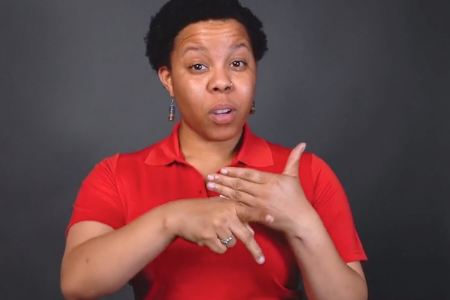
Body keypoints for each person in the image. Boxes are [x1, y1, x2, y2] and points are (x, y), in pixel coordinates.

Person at [60, 0, 368, 299]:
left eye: (237, 63)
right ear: (168, 79)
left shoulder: (307, 173)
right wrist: (172, 219)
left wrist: (301, 221)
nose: (222, 82)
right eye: (198, 66)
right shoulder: (116, 175)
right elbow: (76, 283)